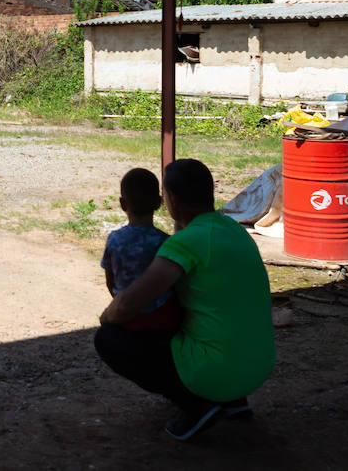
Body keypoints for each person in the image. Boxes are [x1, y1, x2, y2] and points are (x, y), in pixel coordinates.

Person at [96, 158, 275, 442]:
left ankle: (198, 405)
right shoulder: (232, 230)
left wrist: (106, 317)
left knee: (108, 338)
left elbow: (128, 304)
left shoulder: (185, 243)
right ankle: (232, 400)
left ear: (173, 200)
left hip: (219, 370)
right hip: (257, 366)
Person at [101, 168, 180, 332]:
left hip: (126, 317)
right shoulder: (166, 242)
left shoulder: (114, 239)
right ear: (159, 203)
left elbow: (110, 282)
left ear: (123, 204)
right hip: (162, 320)